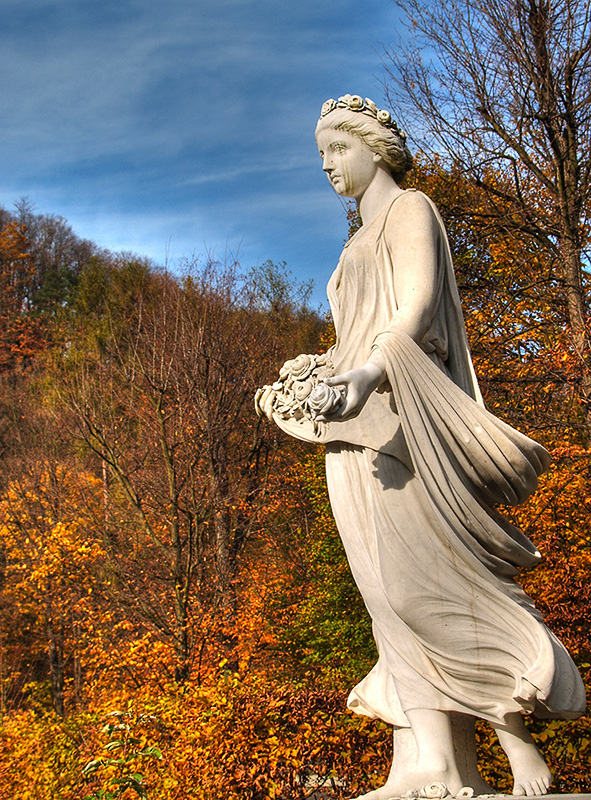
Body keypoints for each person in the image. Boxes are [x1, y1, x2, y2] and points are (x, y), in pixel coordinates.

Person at [306, 95, 585, 798]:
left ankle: (513, 730)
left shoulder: (410, 210)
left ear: (372, 147)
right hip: (349, 434)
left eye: (336, 149)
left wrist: (366, 373)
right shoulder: (351, 241)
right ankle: (427, 759)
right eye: (320, 155)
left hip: (404, 421)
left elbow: (416, 306)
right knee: (383, 601)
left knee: (423, 586)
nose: (327, 165)